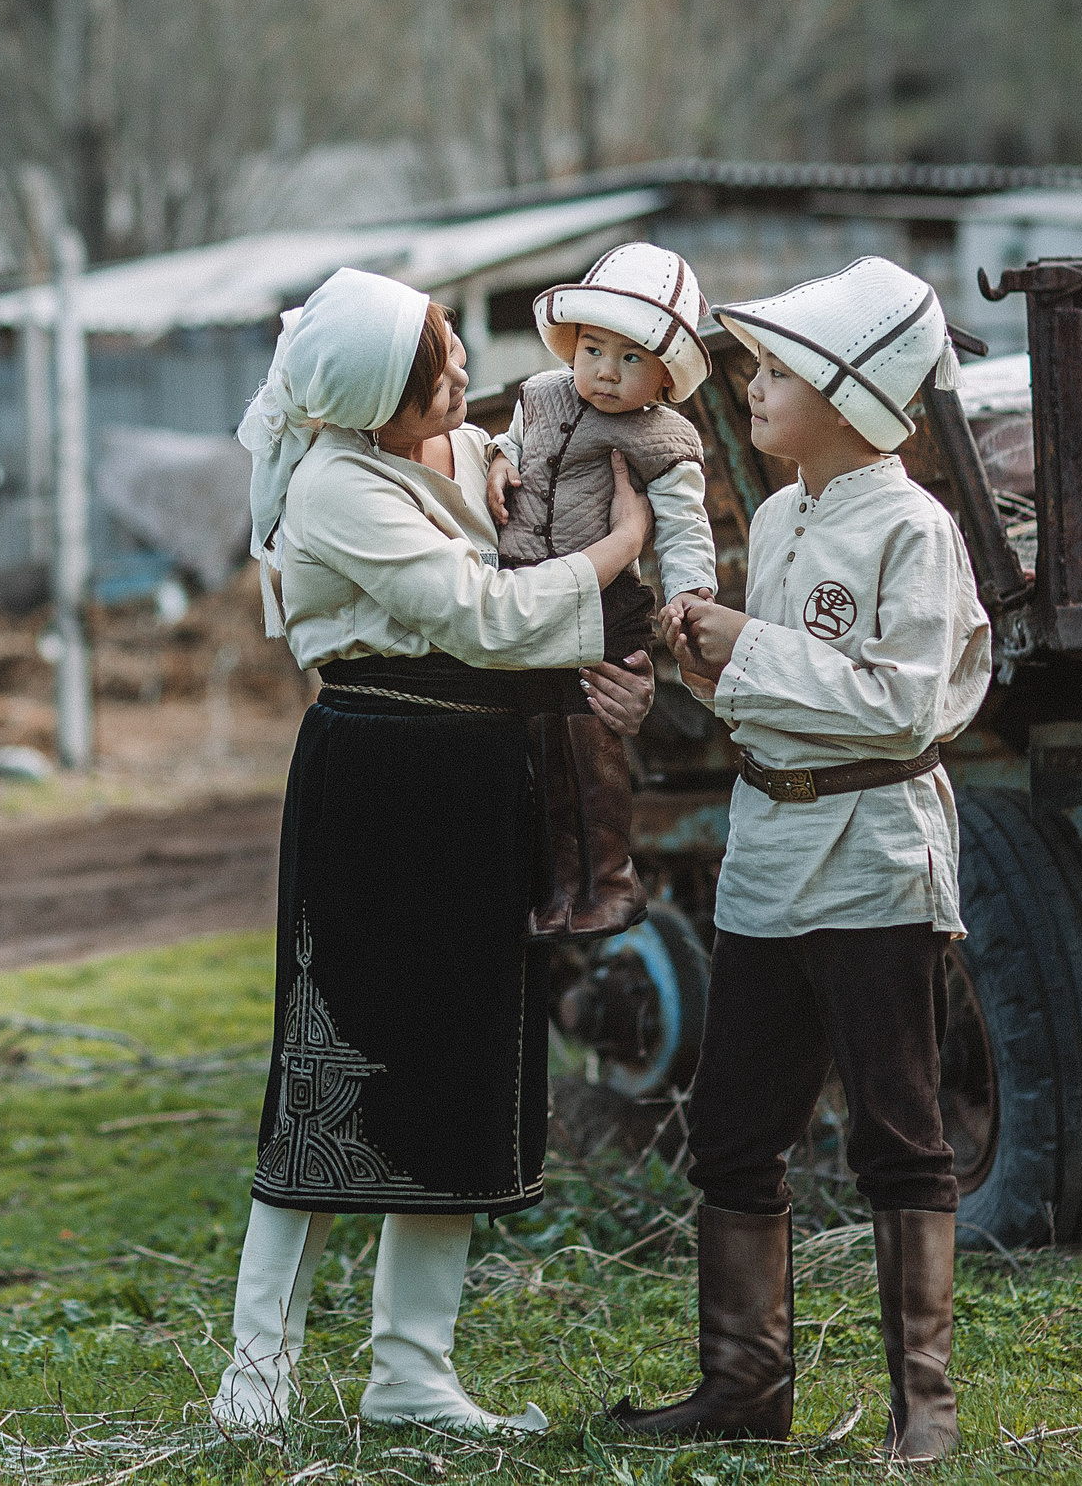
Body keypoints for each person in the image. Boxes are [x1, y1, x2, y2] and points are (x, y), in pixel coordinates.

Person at [217, 266, 655, 1433]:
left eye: (454, 351)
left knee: (461, 1065)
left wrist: (508, 459)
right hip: (376, 782)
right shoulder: (333, 486)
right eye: (439, 378)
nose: (464, 378)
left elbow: (509, 495)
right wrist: (622, 543)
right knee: (327, 1070)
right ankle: (254, 1377)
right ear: (374, 405)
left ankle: (411, 1374)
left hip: (475, 777)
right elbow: (487, 618)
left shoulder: (456, 445)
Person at [607, 256, 992, 1464]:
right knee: (732, 1126)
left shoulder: (914, 531)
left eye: (777, 370)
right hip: (768, 851)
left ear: (853, 396)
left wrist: (748, 647)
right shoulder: (779, 517)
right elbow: (772, 699)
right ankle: (744, 1386)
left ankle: (924, 1407)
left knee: (897, 1128)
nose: (752, 386)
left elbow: (900, 707)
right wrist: (692, 666)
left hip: (874, 853)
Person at [486, 242, 722, 660]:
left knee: (603, 684)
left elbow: (683, 522)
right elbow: (517, 440)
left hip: (606, 596)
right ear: (574, 345)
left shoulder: (665, 438)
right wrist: (502, 458)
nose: (607, 372)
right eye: (593, 350)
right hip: (518, 576)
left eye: (631, 358)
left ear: (666, 376)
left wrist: (688, 587)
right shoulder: (539, 393)